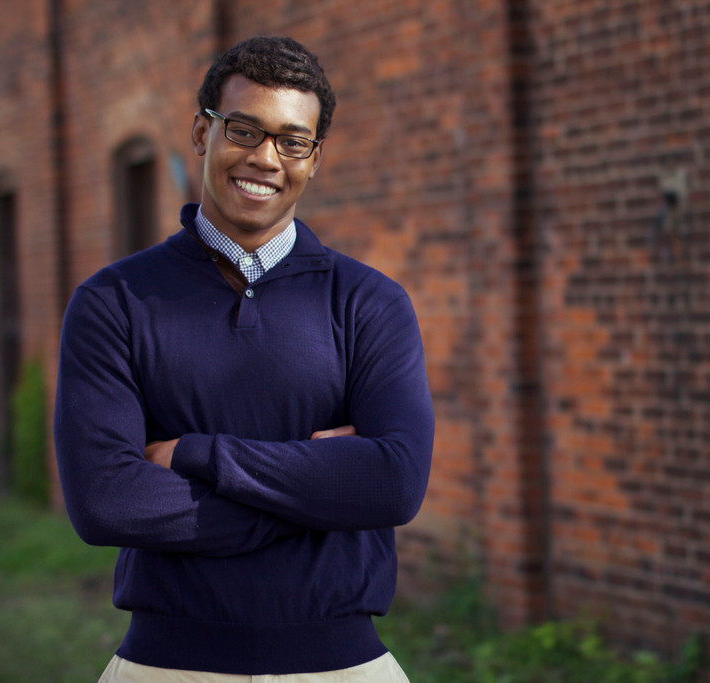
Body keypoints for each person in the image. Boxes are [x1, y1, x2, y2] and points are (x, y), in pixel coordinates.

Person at [53, 35, 434, 681]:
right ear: (202, 133)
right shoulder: (114, 301)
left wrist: (196, 454)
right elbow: (106, 502)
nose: (265, 157)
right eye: (244, 130)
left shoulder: (369, 303)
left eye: (292, 141)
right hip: (166, 667)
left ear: (314, 159)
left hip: (343, 667)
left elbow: (395, 483)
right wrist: (319, 498)